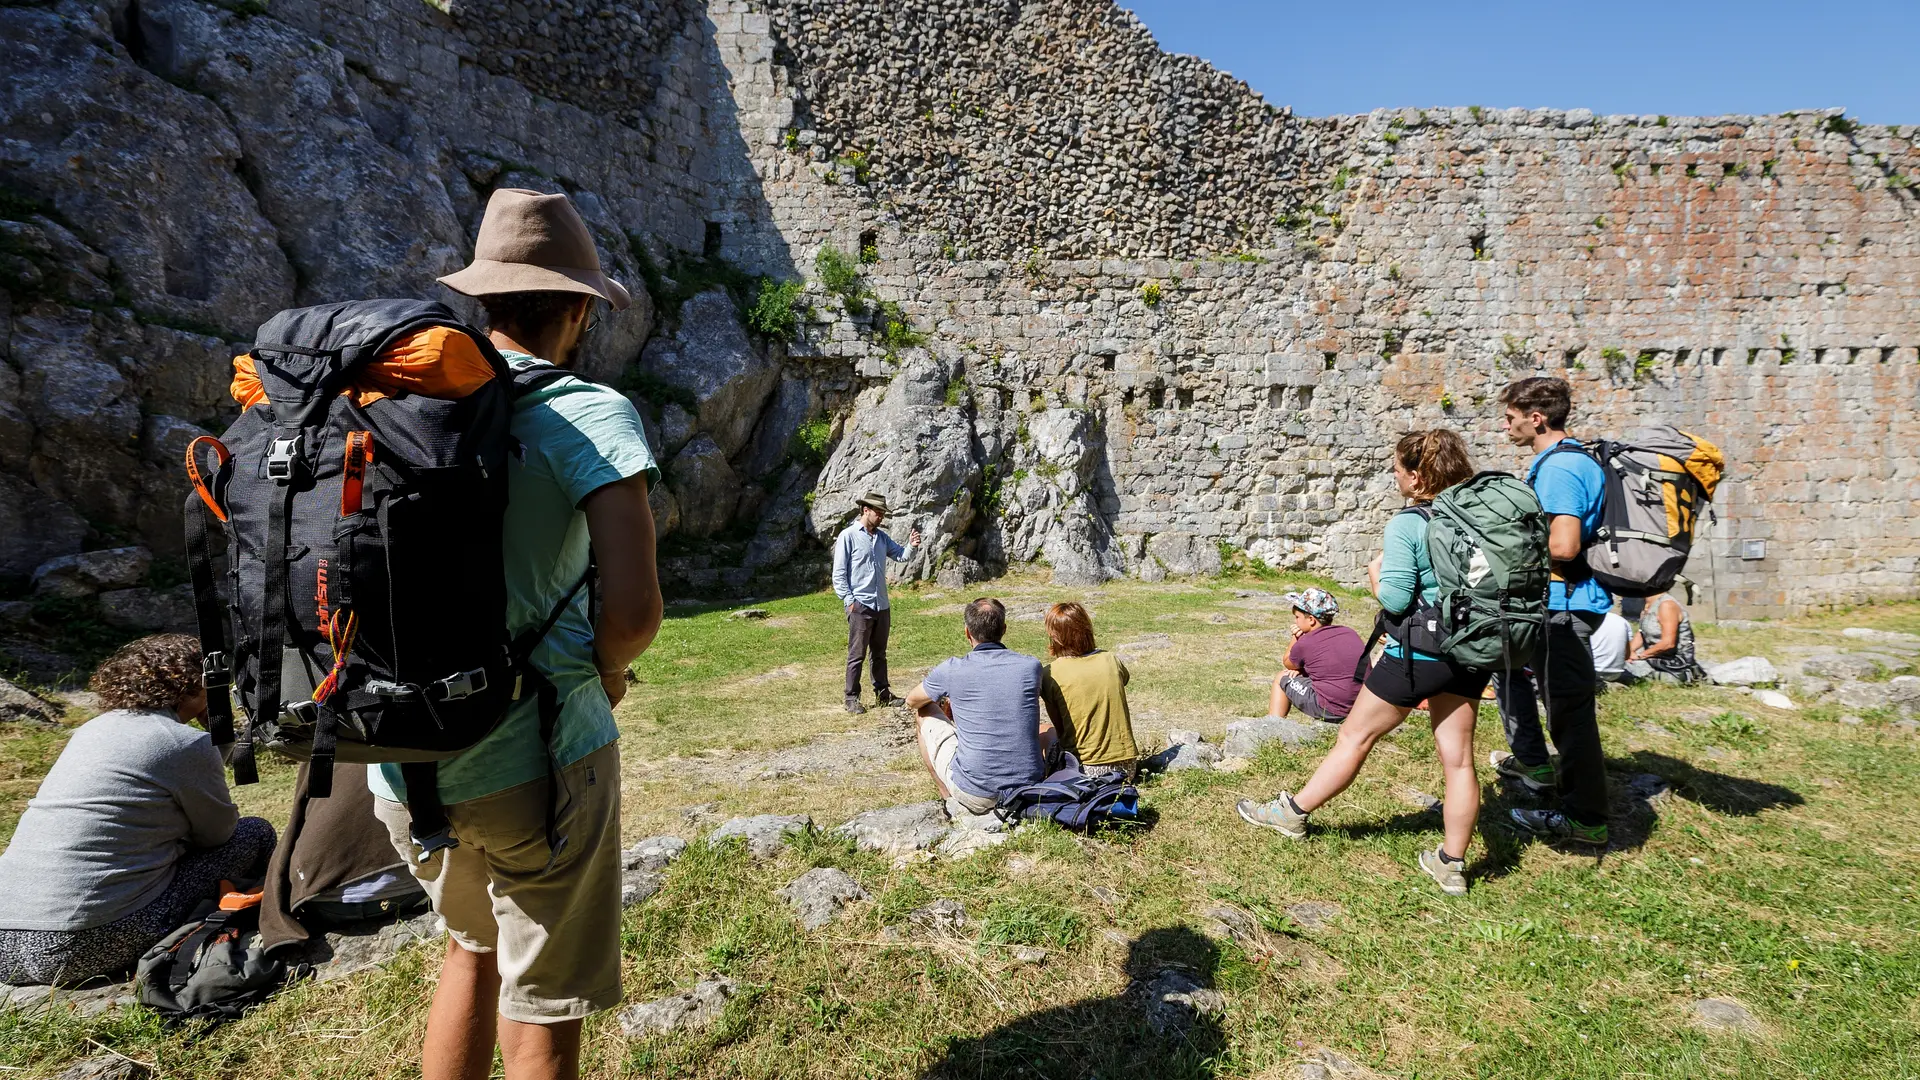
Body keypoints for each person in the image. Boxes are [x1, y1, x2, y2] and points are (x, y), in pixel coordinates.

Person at [369, 188, 663, 1080]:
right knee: (544, 1004)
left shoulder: (397, 403)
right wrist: (606, 675)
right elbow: (634, 613)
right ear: (578, 310)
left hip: (401, 756)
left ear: (483, 300)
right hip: (537, 753)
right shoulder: (587, 411)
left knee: (470, 950)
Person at [1237, 431, 1489, 896]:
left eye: (1397, 469)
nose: (1394, 476)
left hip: (1418, 654)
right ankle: (1452, 864)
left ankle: (1291, 813)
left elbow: (1396, 599)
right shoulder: (1478, 516)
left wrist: (1375, 575)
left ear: (1417, 477)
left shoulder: (1409, 523)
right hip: (1472, 650)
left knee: (1354, 737)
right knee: (1458, 761)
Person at [0, 634, 275, 986]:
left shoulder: (90, 730)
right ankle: (267, 917)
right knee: (255, 832)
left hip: (6, 941)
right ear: (194, 684)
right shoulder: (182, 742)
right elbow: (219, 835)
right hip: (75, 947)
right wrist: (218, 734)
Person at [1487, 376, 1611, 848]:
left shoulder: (1560, 468)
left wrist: (1502, 549)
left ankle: (1585, 817)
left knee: (1569, 712)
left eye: (1510, 418)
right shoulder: (1565, 460)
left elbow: (1563, 545)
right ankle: (1533, 762)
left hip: (1564, 606)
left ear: (1536, 418)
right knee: (1509, 671)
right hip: (1556, 603)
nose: (1505, 427)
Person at [905, 598, 1052, 814]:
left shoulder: (952, 669)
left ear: (967, 632)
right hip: (1028, 788)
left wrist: (947, 700)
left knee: (924, 711)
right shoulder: (1030, 666)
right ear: (1004, 629)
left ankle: (947, 795)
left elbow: (912, 700)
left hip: (976, 793)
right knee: (1045, 729)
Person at [833, 492, 920, 714]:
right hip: (860, 606)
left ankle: (883, 694)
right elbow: (839, 574)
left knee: (879, 653)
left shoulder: (881, 538)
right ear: (865, 510)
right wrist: (850, 601)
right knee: (857, 654)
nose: (881, 517)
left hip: (882, 605)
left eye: (882, 513)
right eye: (878, 513)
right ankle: (851, 698)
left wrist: (911, 545)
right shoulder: (848, 536)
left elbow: (901, 555)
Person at [1039, 602, 1138, 779]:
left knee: (1044, 729)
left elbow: (1061, 730)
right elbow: (1123, 682)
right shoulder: (1110, 659)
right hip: (1127, 768)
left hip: (1084, 770)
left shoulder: (1051, 673)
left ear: (1055, 636)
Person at [1267, 588, 1367, 722]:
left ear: (1311, 620)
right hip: (1361, 706)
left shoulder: (1306, 642)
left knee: (1282, 677)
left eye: (1297, 617)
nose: (1295, 622)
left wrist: (1296, 637)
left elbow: (1288, 663)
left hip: (1331, 708)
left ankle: (1273, 724)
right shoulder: (1349, 633)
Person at [1625, 593, 1707, 683]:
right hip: (1654, 659)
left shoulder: (1667, 605)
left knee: (1624, 670)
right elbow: (1642, 632)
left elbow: (1668, 643)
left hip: (1674, 666)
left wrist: (1639, 656)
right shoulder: (1648, 604)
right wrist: (1628, 653)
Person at [1590, 609, 1633, 685]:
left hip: (1591, 672)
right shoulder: (1622, 621)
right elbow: (1627, 655)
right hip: (1615, 674)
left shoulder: (1581, 621)